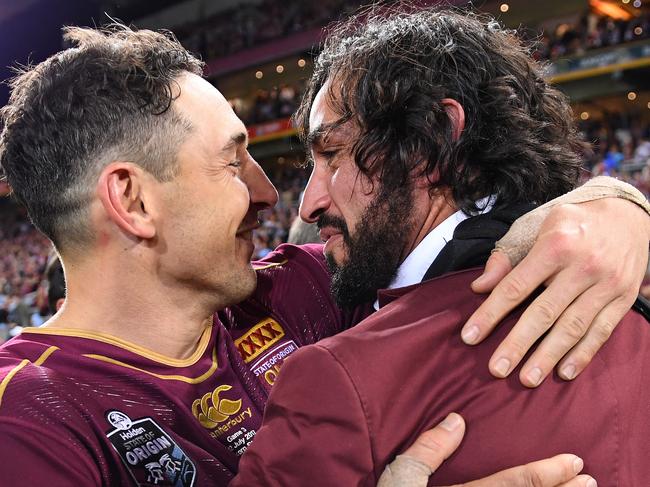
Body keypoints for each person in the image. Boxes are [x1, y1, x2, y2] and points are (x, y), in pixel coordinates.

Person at [0, 22, 646, 487]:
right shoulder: (29, 415)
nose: (271, 194)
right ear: (133, 200)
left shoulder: (303, 285)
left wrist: (615, 206)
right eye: (234, 161)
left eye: (324, 155)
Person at [231, 8, 650, 486]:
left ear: (433, 142)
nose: (307, 204)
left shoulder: (337, 380)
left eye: (332, 155)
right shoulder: (630, 313)